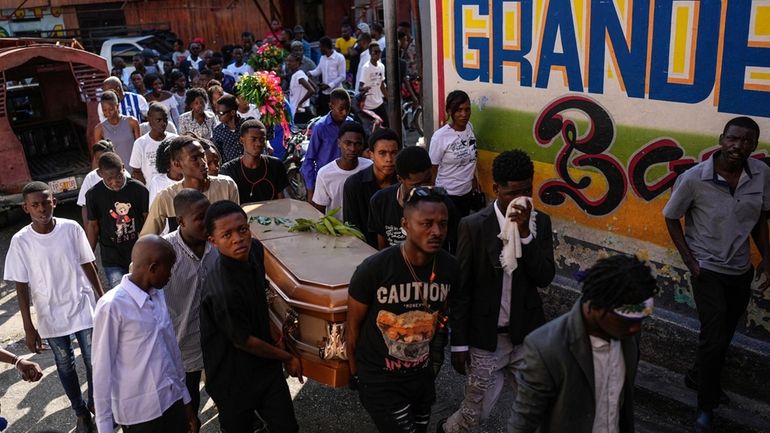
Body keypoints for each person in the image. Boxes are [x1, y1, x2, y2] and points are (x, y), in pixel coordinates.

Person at [662, 116, 770, 433]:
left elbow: (760, 221)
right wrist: (691, 263)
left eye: (748, 140)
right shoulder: (695, 178)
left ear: (755, 145)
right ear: (722, 139)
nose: (739, 146)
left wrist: (767, 257)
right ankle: (704, 408)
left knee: (724, 332)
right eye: (734, 139)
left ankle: (698, 375)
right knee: (713, 335)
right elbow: (671, 218)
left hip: (739, 269)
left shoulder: (762, 174)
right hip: (707, 268)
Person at [438, 149, 555, 433]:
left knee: (542, 408)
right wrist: (459, 343)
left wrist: (526, 235)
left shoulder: (540, 223)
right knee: (474, 415)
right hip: (485, 340)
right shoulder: (474, 226)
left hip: (525, 335)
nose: (519, 200)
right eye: (511, 193)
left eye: (526, 191)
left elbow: (544, 277)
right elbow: (462, 289)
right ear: (495, 189)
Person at [346, 186, 460, 433]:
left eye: (443, 224)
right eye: (426, 223)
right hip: (380, 380)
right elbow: (353, 327)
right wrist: (356, 374)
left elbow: (445, 314)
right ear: (405, 224)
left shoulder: (450, 267)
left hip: (420, 378)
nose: (436, 232)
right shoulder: (374, 269)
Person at [508, 255, 657, 433]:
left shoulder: (627, 332)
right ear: (595, 307)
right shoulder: (546, 347)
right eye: (626, 321)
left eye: (641, 320)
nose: (635, 328)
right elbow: (523, 422)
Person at [4, 181, 104, 433]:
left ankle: (95, 402)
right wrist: (28, 325)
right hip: (51, 313)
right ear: (26, 208)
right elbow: (21, 285)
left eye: (45, 202)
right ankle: (80, 412)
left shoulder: (71, 229)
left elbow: (88, 263)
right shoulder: (21, 241)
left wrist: (102, 300)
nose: (41, 209)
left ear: (54, 202)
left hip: (81, 304)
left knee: (95, 361)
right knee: (64, 364)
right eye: (34, 205)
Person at [200, 201, 301, 432]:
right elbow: (244, 341)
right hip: (231, 377)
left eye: (242, 229)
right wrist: (287, 357)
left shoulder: (254, 249)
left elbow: (261, 298)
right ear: (213, 241)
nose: (238, 238)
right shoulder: (222, 289)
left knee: (287, 427)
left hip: (265, 368)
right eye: (227, 235)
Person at [92, 235, 198, 433]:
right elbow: (102, 371)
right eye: (169, 269)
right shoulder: (111, 307)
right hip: (140, 416)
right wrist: (104, 427)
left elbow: (172, 350)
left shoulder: (157, 295)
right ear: (153, 268)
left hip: (172, 401)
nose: (171, 275)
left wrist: (186, 401)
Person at [162, 190, 218, 428]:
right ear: (181, 221)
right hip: (182, 349)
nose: (208, 223)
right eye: (200, 218)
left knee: (228, 394)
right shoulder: (164, 251)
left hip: (218, 341)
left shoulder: (217, 243)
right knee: (189, 410)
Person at [141, 135, 239, 236]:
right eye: (194, 158)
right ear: (177, 164)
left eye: (203, 156)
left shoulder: (227, 186)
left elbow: (237, 224)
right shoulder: (166, 197)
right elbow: (146, 238)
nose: (203, 163)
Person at [369, 146, 458, 251]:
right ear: (400, 179)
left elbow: (452, 246)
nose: (425, 189)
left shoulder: (444, 205)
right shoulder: (380, 201)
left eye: (428, 180)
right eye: (417, 186)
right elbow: (381, 248)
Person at [86, 153, 149, 288]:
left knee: (143, 292)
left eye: (119, 177)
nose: (115, 182)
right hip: (112, 258)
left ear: (123, 168)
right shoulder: (93, 195)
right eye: (109, 179)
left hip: (138, 254)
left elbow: (147, 219)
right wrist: (89, 256)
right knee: (121, 296)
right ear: (99, 173)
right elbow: (93, 226)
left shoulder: (139, 189)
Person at [343, 127, 399, 247]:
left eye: (394, 153)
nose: (389, 159)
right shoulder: (354, 185)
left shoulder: (404, 183)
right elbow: (352, 228)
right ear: (371, 155)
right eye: (382, 153)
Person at [429, 90, 479, 219]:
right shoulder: (440, 137)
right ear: (450, 111)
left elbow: (471, 161)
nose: (464, 114)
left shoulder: (470, 128)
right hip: (448, 195)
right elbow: (432, 171)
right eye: (458, 110)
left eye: (467, 109)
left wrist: (475, 185)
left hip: (467, 193)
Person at [300, 88, 353, 203]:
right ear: (331, 106)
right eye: (341, 109)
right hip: (326, 182)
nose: (344, 113)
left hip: (347, 181)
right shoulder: (320, 127)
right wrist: (311, 190)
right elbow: (309, 160)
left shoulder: (351, 125)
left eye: (347, 109)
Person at [220, 119, 288, 203]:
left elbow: (282, 201)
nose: (259, 144)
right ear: (242, 140)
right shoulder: (229, 170)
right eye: (253, 139)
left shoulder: (276, 166)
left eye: (262, 139)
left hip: (273, 214)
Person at [312, 121, 371, 218]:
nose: (352, 148)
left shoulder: (370, 167)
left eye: (357, 144)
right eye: (348, 143)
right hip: (337, 230)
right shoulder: (324, 174)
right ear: (339, 143)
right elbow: (319, 211)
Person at [77, 140, 132, 224]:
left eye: (105, 157)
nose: (102, 162)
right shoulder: (91, 178)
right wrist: (88, 227)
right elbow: (84, 206)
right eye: (98, 159)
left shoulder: (124, 175)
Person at [130, 103, 177, 184]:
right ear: (149, 120)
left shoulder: (175, 140)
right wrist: (146, 190)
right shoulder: (140, 143)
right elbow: (136, 171)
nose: (163, 123)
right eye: (158, 120)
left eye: (165, 119)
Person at [94, 90, 141, 165]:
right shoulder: (99, 129)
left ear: (117, 106)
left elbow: (140, 147)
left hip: (134, 167)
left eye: (111, 109)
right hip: (114, 170)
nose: (108, 113)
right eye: (104, 110)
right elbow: (98, 155)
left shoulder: (132, 122)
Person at [308, 37, 346, 116]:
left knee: (336, 115)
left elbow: (342, 76)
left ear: (325, 47)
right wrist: (309, 73)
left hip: (336, 93)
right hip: (325, 93)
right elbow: (318, 70)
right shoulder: (322, 58)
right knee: (324, 115)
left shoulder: (340, 58)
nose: (319, 49)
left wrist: (329, 85)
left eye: (320, 47)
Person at [358, 42, 388, 128]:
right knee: (372, 129)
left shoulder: (381, 66)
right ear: (370, 53)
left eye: (379, 51)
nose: (378, 54)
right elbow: (360, 87)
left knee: (386, 126)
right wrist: (364, 89)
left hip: (379, 103)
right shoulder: (366, 68)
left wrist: (388, 98)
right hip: (368, 106)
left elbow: (382, 85)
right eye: (375, 52)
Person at [213, 94, 248, 163]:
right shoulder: (218, 131)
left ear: (232, 112)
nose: (218, 115)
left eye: (221, 113)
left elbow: (268, 136)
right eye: (217, 112)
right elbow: (218, 155)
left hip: (250, 167)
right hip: (231, 171)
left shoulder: (247, 125)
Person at [148, 139, 184, 205]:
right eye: (177, 159)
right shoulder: (157, 181)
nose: (181, 162)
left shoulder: (191, 178)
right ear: (167, 162)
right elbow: (153, 209)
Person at [287, 53, 316, 125]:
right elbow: (314, 86)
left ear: (297, 63)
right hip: (299, 110)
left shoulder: (299, 75)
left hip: (300, 112)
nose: (288, 63)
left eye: (291, 61)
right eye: (288, 61)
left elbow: (312, 90)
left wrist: (300, 103)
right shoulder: (300, 73)